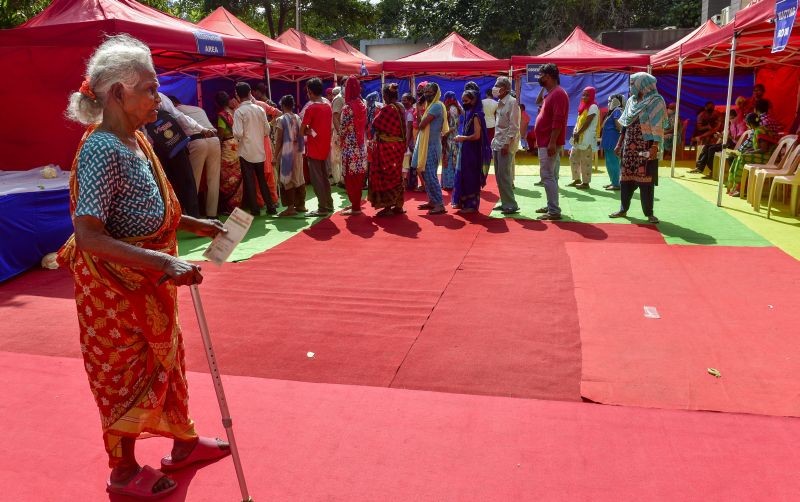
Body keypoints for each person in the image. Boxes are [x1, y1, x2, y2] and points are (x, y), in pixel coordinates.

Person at [59, 34, 230, 499]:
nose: (159, 98)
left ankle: (183, 443)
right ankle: (123, 470)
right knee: (124, 376)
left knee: (166, 362)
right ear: (118, 94)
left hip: (149, 284)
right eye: (151, 90)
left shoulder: (134, 138)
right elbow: (91, 235)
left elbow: (151, 205)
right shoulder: (100, 150)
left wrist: (198, 222)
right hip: (116, 293)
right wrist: (162, 261)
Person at [610, 72, 666, 225]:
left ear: (642, 85)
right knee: (625, 178)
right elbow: (625, 125)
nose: (630, 87)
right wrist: (619, 143)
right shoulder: (631, 101)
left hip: (646, 146)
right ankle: (623, 209)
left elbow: (658, 125)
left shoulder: (656, 101)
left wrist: (655, 145)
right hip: (629, 147)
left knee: (646, 178)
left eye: (633, 83)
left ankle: (649, 213)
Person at [170, 96, 221, 218]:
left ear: (172, 103)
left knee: (193, 180)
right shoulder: (198, 108)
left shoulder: (175, 111)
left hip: (196, 141)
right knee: (214, 179)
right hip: (214, 139)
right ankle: (212, 214)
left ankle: (192, 215)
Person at [533, 63, 569, 220]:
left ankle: (554, 210)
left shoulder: (558, 94)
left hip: (549, 142)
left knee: (547, 175)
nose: (539, 78)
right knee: (549, 175)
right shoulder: (552, 93)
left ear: (549, 76)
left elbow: (558, 120)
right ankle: (551, 205)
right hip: (546, 141)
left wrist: (552, 142)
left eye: (541, 75)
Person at [232, 82, 274, 216]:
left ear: (237, 95)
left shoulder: (239, 111)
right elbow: (267, 130)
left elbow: (238, 133)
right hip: (259, 149)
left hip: (246, 151)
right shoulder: (259, 109)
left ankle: (255, 209)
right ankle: (270, 206)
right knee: (262, 180)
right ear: (250, 92)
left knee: (250, 181)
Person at [370, 83, 408, 216]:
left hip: (387, 147)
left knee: (385, 175)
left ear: (386, 95)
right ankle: (398, 205)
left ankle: (387, 208)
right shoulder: (400, 107)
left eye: (384, 95)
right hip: (397, 147)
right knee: (396, 174)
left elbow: (376, 123)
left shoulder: (388, 109)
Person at [412, 82, 449, 215]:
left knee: (430, 175)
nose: (426, 94)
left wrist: (417, 107)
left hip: (432, 145)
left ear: (436, 93)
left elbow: (421, 125)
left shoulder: (436, 106)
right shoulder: (430, 106)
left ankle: (439, 204)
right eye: (425, 92)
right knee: (425, 173)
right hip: (427, 144)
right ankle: (432, 201)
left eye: (429, 92)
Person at [301, 77, 335, 217]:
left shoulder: (311, 108)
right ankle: (328, 203)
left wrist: (311, 132)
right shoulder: (327, 106)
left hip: (315, 148)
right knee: (324, 177)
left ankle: (322, 207)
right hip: (325, 146)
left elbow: (302, 130)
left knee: (317, 179)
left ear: (310, 91)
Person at [454, 89, 490, 213]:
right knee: (465, 175)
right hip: (467, 150)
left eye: (466, 101)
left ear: (474, 100)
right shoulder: (470, 113)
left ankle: (471, 205)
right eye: (463, 101)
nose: (464, 103)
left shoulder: (476, 115)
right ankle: (464, 203)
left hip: (473, 152)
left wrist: (463, 138)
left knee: (470, 177)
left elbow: (476, 136)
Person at [490, 76, 520, 214]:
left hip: (505, 144)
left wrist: (507, 144)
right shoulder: (500, 103)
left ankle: (511, 204)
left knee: (504, 175)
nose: (495, 88)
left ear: (506, 89)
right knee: (498, 175)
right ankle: (504, 201)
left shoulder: (512, 103)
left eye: (498, 86)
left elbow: (514, 126)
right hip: (497, 143)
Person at [272, 95, 306, 217]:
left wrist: (275, 156)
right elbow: (303, 132)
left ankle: (290, 207)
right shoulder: (297, 117)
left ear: (282, 105)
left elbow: (279, 139)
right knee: (298, 176)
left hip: (286, 152)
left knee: (287, 179)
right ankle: (301, 204)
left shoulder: (281, 120)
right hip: (298, 151)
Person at [339, 77, 369, 215]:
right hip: (361, 146)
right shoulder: (363, 104)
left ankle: (355, 206)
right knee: (358, 176)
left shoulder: (347, 108)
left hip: (350, 147)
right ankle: (356, 204)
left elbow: (343, 129)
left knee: (350, 177)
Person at [727, 112, 774, 196]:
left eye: (747, 124)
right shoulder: (758, 130)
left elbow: (764, 149)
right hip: (762, 154)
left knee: (742, 157)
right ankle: (736, 187)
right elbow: (758, 147)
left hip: (767, 157)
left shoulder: (760, 131)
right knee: (739, 156)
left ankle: (740, 188)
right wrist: (749, 151)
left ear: (751, 124)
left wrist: (750, 152)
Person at [568, 86, 599, 189]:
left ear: (592, 96)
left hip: (587, 137)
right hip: (578, 137)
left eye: (587, 95)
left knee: (586, 161)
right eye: (583, 94)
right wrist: (575, 133)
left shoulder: (593, 107)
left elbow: (587, 122)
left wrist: (578, 133)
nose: (584, 97)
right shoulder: (583, 106)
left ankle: (586, 183)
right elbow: (578, 122)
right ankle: (577, 179)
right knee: (573, 157)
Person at [600, 94, 624, 190]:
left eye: (610, 101)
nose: (609, 103)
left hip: (613, 140)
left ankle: (616, 184)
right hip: (608, 140)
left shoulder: (617, 111)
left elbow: (619, 126)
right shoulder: (612, 112)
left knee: (613, 162)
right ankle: (613, 182)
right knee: (609, 162)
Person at [441, 91, 460, 190]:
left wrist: (444, 134)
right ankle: (449, 183)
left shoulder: (452, 109)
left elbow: (453, 126)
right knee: (450, 159)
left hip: (450, 138)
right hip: (452, 137)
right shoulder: (455, 107)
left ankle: (449, 183)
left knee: (449, 159)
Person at [330, 86, 345, 187]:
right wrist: (340, 133)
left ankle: (339, 179)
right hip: (339, 133)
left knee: (337, 158)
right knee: (337, 158)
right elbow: (335, 117)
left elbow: (335, 117)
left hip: (339, 133)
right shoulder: (339, 99)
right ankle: (338, 179)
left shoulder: (339, 99)